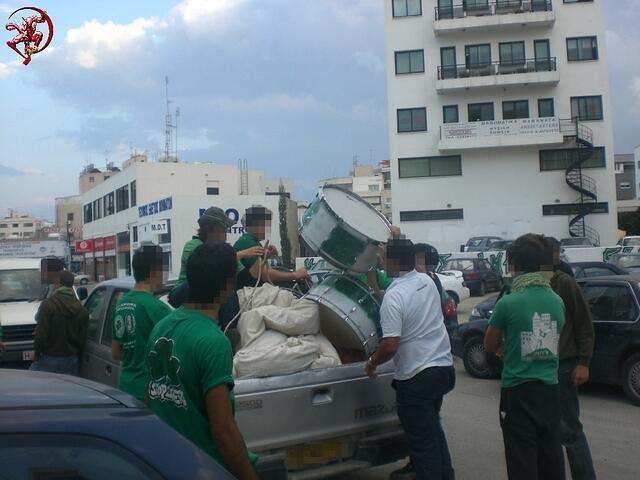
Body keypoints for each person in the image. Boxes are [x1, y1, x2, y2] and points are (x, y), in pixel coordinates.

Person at [147, 242, 258, 479]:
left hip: (167, 461)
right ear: (228, 286)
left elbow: (151, 400)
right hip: (206, 468)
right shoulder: (213, 342)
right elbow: (223, 431)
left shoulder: (160, 328)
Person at [365, 238, 455, 480]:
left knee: (423, 445)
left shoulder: (395, 297)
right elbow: (397, 296)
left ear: (392, 262)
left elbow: (391, 345)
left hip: (417, 377)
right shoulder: (426, 281)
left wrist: (372, 362)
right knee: (433, 434)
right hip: (443, 369)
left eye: (384, 258)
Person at [484, 233, 566, 480]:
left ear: (514, 265)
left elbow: (489, 345)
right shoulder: (556, 300)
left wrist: (506, 347)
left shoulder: (509, 303)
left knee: (522, 462)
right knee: (551, 457)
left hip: (518, 390)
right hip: (550, 389)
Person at [545, 237, 596, 480]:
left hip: (564, 365)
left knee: (569, 430)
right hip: (540, 367)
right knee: (548, 431)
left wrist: (584, 362)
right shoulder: (530, 285)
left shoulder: (564, 283)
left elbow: (585, 325)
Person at [111, 245, 172, 403]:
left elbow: (116, 353)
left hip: (126, 388)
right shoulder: (158, 309)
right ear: (154, 272)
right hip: (150, 393)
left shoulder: (121, 304)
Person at [168, 206, 261, 308]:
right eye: (225, 230)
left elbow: (246, 279)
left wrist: (261, 259)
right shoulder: (193, 245)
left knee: (228, 292)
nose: (226, 235)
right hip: (185, 292)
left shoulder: (226, 252)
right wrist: (240, 254)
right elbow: (207, 270)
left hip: (210, 293)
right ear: (213, 230)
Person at [233, 205, 308, 289]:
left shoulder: (252, 241)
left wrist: (266, 255)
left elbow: (257, 268)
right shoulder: (247, 242)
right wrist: (295, 275)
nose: (268, 228)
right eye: (266, 224)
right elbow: (264, 274)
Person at [30, 270, 88, 375]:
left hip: (49, 358)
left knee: (31, 382)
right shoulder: (82, 309)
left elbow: (41, 334)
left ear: (58, 284)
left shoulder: (48, 305)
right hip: (71, 359)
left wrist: (37, 353)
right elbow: (82, 339)